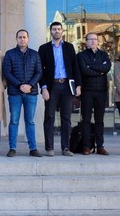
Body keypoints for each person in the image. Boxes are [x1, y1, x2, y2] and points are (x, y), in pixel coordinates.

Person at [38, 22, 82, 157]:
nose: (56, 31)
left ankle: (65, 148)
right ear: (50, 31)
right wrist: (43, 88)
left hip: (66, 86)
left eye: (58, 29)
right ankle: (49, 147)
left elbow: (75, 67)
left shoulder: (69, 47)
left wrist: (78, 86)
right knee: (49, 117)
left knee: (66, 118)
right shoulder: (44, 48)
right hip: (52, 86)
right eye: (54, 29)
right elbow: (40, 71)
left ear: (62, 31)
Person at [2, 29, 43, 157]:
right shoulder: (9, 54)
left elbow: (39, 72)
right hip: (15, 92)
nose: (22, 39)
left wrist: (29, 85)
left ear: (28, 39)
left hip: (31, 93)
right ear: (16, 39)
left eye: (24, 37)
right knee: (14, 121)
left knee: (30, 121)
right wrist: (20, 85)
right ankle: (12, 148)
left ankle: (33, 148)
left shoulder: (35, 55)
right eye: (20, 37)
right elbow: (7, 73)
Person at [76, 32, 112, 155]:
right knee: (86, 119)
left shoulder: (104, 54)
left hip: (101, 91)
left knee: (99, 120)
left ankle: (100, 145)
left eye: (95, 39)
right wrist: (99, 71)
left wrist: (92, 67)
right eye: (90, 39)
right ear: (86, 42)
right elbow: (84, 70)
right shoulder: (81, 56)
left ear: (98, 41)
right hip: (87, 91)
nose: (93, 41)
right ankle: (86, 146)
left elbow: (106, 68)